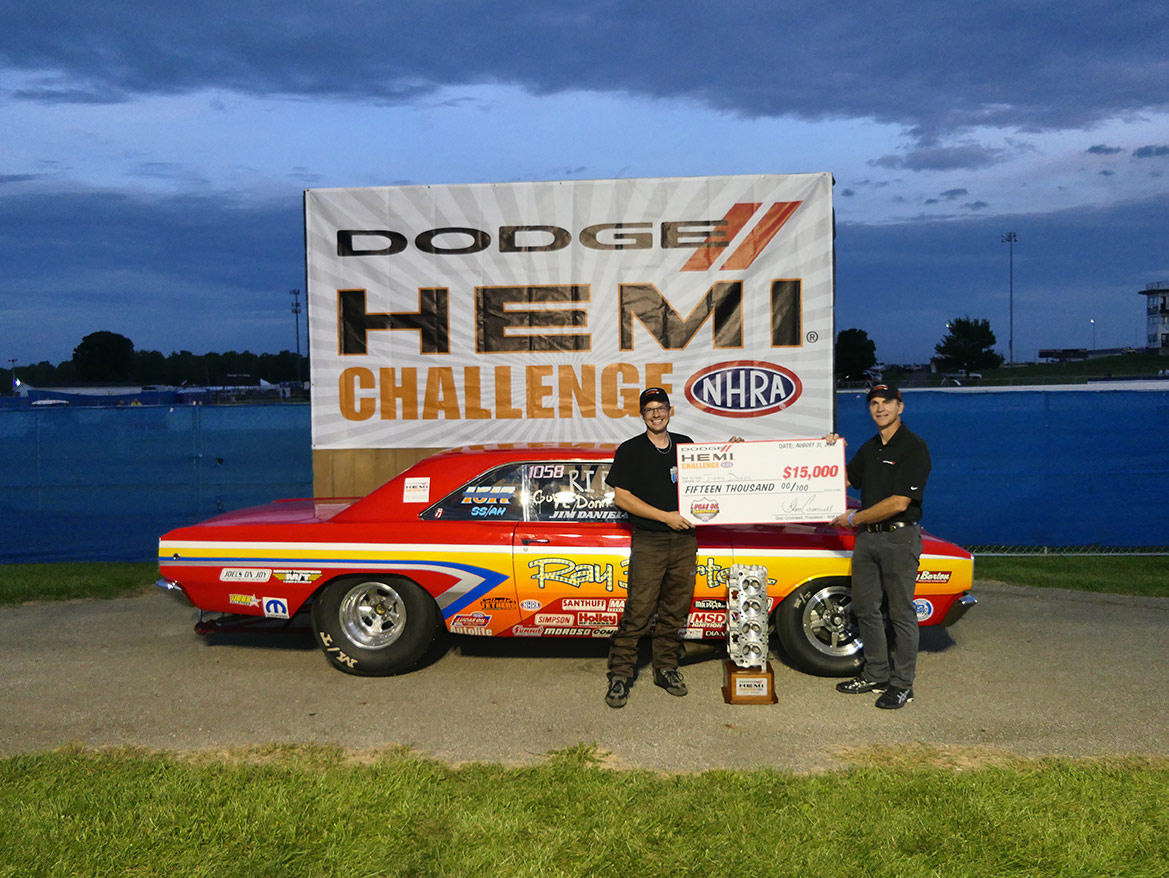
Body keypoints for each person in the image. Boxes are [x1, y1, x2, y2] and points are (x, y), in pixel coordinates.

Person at [828, 384, 931, 710]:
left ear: (900, 407)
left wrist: (855, 517)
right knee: (866, 609)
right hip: (868, 539)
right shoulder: (871, 447)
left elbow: (900, 502)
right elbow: (842, 479)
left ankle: (902, 685)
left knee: (900, 612)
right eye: (873, 403)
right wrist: (827, 453)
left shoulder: (913, 447)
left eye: (886, 402)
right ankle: (876, 673)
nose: (879, 408)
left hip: (898, 538)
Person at [603, 387, 696, 708]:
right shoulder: (630, 450)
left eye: (661, 408)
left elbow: (716, 476)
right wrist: (665, 517)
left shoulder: (685, 445)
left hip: (684, 541)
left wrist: (734, 452)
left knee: (674, 609)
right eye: (649, 409)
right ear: (642, 415)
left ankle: (666, 668)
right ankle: (619, 675)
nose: (656, 414)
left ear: (671, 410)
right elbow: (622, 498)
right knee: (639, 611)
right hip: (650, 540)